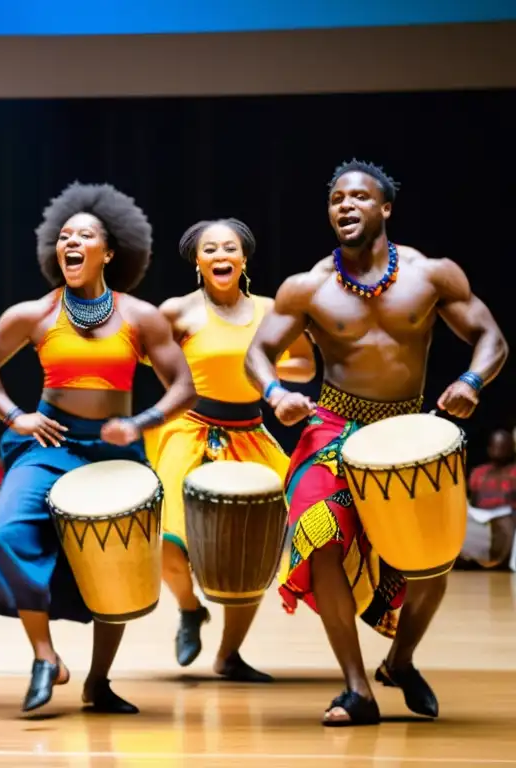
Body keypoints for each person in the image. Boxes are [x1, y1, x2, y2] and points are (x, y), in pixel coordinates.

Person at [244, 159, 508, 726]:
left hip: (408, 429)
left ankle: (401, 662)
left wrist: (471, 381)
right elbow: (256, 353)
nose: (346, 205)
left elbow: (491, 337)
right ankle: (356, 689)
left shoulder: (430, 275)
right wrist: (274, 394)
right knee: (316, 530)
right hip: (333, 427)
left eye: (360, 197)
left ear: (385, 208)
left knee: (434, 561)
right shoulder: (307, 286)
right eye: (337, 198)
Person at [0, 182, 198, 714]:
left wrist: (141, 422)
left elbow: (184, 386)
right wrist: (16, 416)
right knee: (2, 538)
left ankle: (99, 681)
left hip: (115, 453)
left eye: (84, 235)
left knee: (113, 565)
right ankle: (45, 656)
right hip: (50, 442)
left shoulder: (141, 317)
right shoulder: (35, 314)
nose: (71, 242)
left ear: (109, 252)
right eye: (64, 235)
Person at [143, 218, 315, 682]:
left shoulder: (271, 309)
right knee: (164, 540)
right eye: (210, 248)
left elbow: (304, 362)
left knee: (255, 548)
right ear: (198, 261)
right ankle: (189, 608)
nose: (221, 254)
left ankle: (229, 654)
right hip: (189, 429)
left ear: (243, 258)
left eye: (230, 247)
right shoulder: (178, 311)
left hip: (251, 432)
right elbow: (148, 354)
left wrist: (265, 370)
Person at [460, 429, 516, 569]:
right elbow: (470, 500)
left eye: (504, 446)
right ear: (489, 449)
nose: (499, 450)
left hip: (508, 521)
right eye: (496, 446)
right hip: (482, 520)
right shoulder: (479, 473)